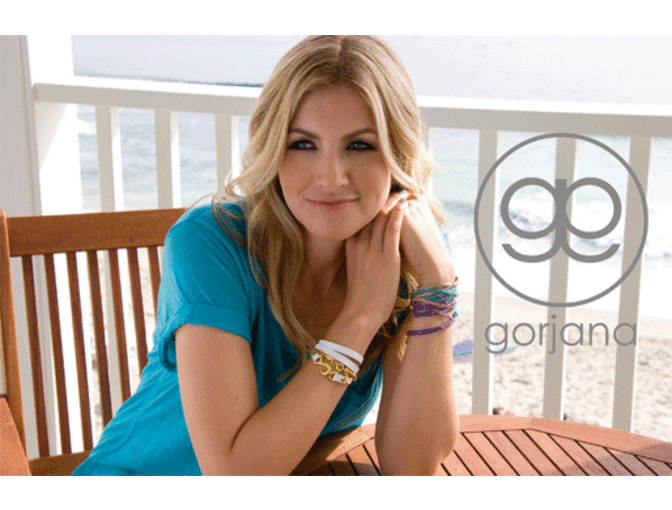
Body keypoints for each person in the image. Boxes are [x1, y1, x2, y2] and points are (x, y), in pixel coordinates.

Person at [73, 35, 458, 476]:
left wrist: (438, 289)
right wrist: (359, 318)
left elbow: (411, 468)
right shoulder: (211, 243)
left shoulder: (414, 256)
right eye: (303, 144)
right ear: (273, 148)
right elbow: (233, 475)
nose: (330, 178)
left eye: (360, 145)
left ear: (397, 152)